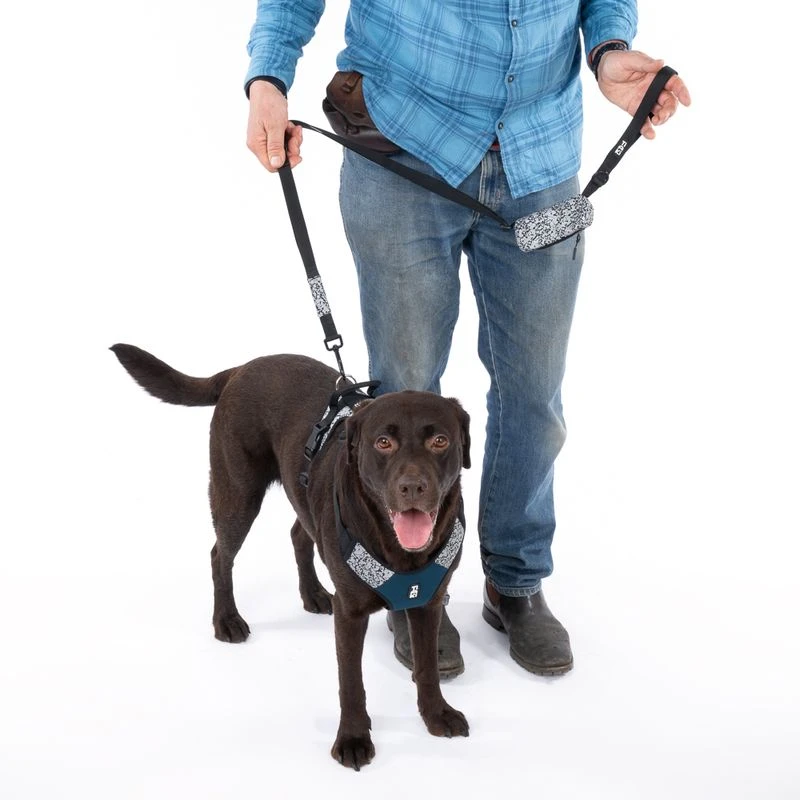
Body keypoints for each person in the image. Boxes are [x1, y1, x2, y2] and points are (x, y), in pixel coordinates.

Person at [244, 1, 690, 678]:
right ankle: (406, 585)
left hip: (540, 157)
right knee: (403, 394)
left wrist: (607, 48)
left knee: (535, 398)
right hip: (403, 142)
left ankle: (515, 582)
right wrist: (269, 77)